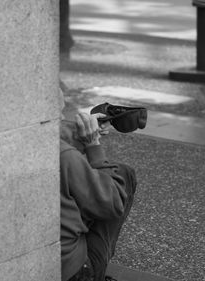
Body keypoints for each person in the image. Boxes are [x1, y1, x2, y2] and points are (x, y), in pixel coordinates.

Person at [60, 112, 137, 281]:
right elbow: (113, 202)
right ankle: (96, 274)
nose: (60, 114)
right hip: (69, 270)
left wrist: (75, 132)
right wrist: (93, 143)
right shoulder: (64, 155)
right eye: (59, 111)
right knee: (122, 177)